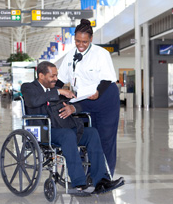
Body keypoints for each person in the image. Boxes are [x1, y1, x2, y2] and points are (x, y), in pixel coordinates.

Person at [21, 61, 124, 196]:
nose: (56, 79)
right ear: (41, 75)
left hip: (63, 127)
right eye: (52, 76)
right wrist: (57, 91)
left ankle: (100, 180)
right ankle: (79, 182)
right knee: (68, 135)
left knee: (92, 133)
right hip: (45, 131)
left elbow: (75, 103)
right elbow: (33, 101)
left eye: (56, 75)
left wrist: (72, 108)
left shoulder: (58, 91)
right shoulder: (28, 87)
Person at [56, 19, 120, 176]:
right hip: (83, 99)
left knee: (105, 138)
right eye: (77, 41)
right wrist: (50, 92)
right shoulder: (70, 55)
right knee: (83, 135)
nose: (80, 44)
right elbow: (60, 79)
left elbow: (107, 79)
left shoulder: (101, 54)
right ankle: (87, 173)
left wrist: (98, 92)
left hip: (104, 97)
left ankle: (106, 177)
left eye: (84, 41)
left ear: (91, 39)